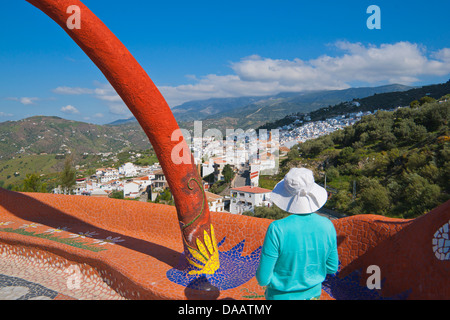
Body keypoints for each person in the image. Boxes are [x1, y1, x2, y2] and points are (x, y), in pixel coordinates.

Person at [256, 167, 339, 300]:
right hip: (313, 296)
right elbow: (332, 267)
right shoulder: (327, 225)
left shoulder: (277, 228)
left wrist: (278, 283)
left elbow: (263, 279)